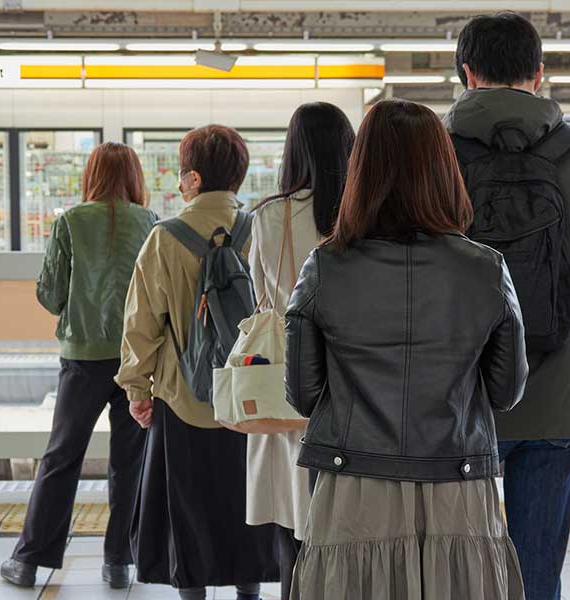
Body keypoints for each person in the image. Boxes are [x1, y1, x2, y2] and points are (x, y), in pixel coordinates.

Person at [286, 98, 528, 600]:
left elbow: (304, 393)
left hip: (354, 487)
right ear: (444, 171)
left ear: (361, 171)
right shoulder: (485, 269)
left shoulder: (325, 267)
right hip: (458, 484)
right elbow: (505, 391)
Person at [445, 13, 570, 600]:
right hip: (555, 391)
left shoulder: (429, 157)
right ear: (539, 74)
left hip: (453, 393)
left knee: (453, 561)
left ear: (466, 71)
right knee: (537, 569)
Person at [116, 124, 279, 600]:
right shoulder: (261, 230)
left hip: (183, 397)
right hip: (252, 397)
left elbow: (140, 324)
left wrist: (137, 391)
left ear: (192, 178)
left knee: (187, 507)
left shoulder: (164, 239)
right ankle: (250, 589)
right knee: (245, 500)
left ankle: (193, 592)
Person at [1, 142, 158, 590]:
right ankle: (118, 562)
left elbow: (51, 296)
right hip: (136, 359)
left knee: (61, 456)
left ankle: (30, 560)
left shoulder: (69, 222)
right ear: (134, 177)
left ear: (91, 175)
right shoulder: (150, 223)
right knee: (130, 462)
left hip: (82, 358)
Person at [245, 102, 355, 600]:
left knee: (292, 525)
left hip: (288, 387)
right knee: (352, 526)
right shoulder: (364, 213)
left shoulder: (271, 217)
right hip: (356, 384)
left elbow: (261, 303)